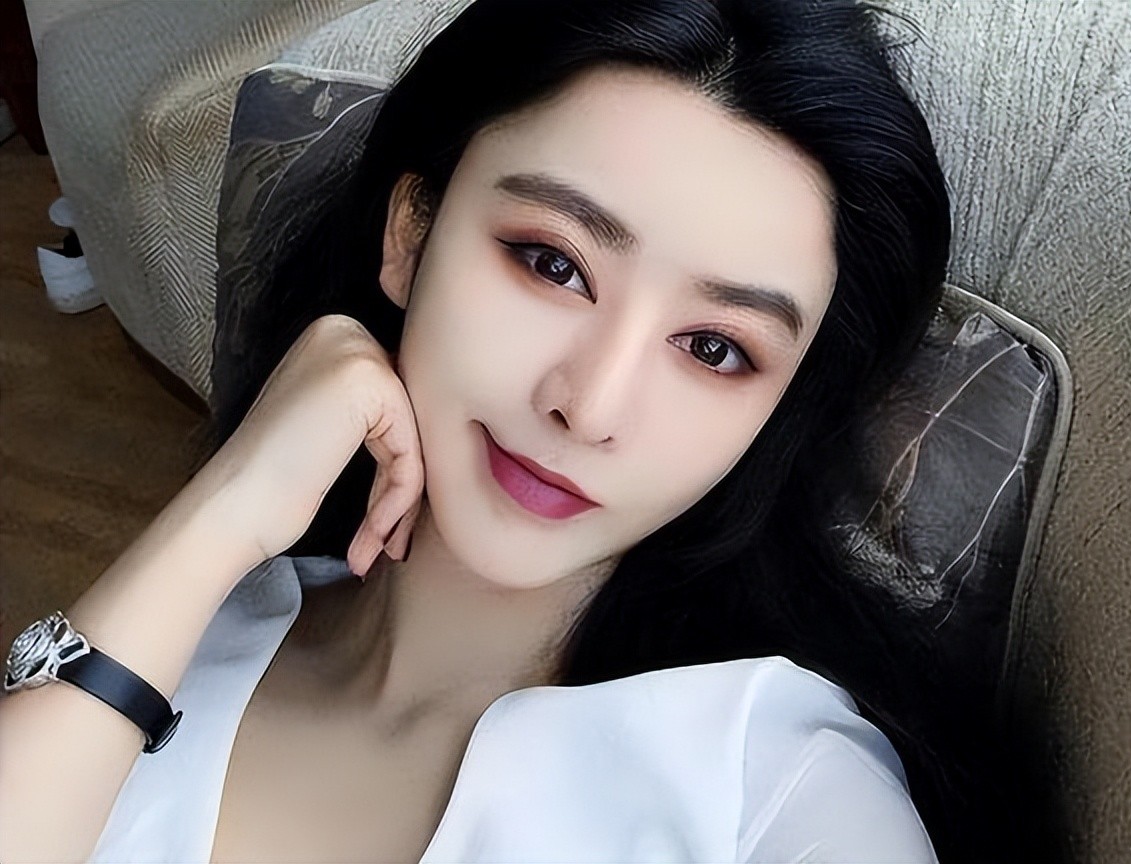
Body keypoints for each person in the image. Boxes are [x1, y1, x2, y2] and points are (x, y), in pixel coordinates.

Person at [1, 0, 968, 860]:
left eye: (714, 350)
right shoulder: (194, 619)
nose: (589, 406)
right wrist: (222, 513)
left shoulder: (775, 790)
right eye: (553, 264)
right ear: (411, 233)